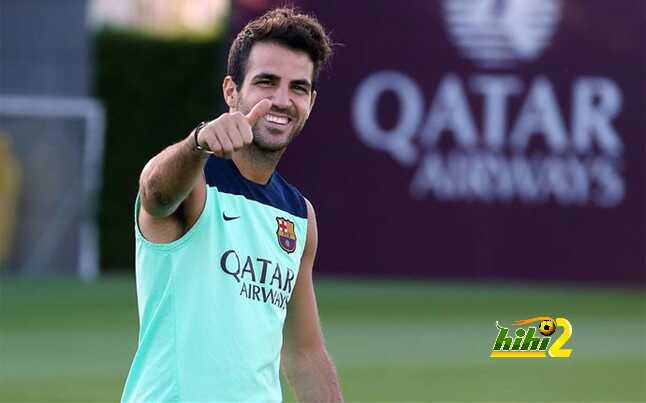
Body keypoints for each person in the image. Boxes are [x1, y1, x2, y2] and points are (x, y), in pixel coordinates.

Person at [120, 7, 343, 403]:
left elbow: (305, 354)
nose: (281, 100)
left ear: (310, 101)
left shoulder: (298, 214)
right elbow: (155, 193)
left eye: (297, 88)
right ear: (231, 91)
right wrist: (197, 143)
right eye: (266, 82)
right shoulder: (196, 182)